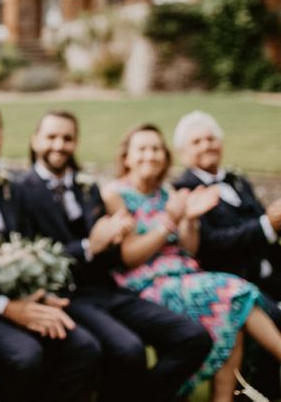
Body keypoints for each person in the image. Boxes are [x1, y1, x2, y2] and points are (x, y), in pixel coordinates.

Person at [19, 110, 212, 402]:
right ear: (35, 141)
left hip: (110, 288)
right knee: (128, 349)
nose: (59, 145)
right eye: (51, 137)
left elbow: (115, 252)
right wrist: (90, 246)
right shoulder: (20, 190)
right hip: (66, 295)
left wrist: (118, 235)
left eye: (67, 138)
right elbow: (31, 254)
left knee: (193, 338)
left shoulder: (87, 188)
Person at [103, 123, 281, 401]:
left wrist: (189, 218)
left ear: (165, 156)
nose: (149, 155)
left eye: (156, 149)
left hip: (185, 275)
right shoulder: (115, 193)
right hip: (145, 284)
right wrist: (169, 222)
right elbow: (130, 256)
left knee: (231, 315)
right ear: (126, 157)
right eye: (142, 149)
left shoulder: (168, 193)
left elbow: (190, 248)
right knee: (236, 292)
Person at [0, 102, 101, 402]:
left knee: (84, 346)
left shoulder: (10, 187)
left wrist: (38, 293)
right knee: (24, 355)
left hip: (21, 297)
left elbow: (27, 245)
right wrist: (7, 307)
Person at [171, 111, 281, 400]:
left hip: (270, 276)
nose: (207, 145)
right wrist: (267, 224)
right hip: (235, 284)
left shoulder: (237, 180)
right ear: (184, 153)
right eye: (197, 141)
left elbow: (265, 230)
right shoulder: (184, 190)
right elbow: (212, 246)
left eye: (211, 139)